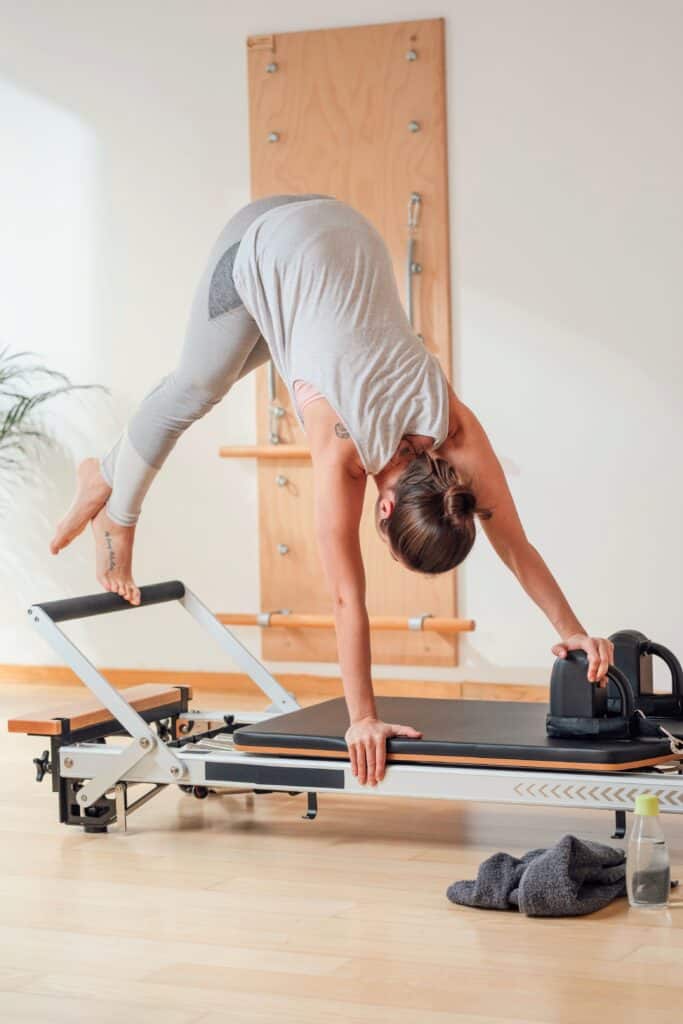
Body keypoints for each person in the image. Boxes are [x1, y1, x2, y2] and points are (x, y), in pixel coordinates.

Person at [50, 194, 614, 786]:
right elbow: (348, 600)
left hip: (343, 226)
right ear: (386, 508)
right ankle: (117, 503)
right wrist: (362, 718)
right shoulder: (344, 450)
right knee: (196, 386)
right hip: (265, 243)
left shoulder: (450, 423)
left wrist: (571, 632)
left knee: (240, 353)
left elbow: (514, 545)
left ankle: (109, 471)